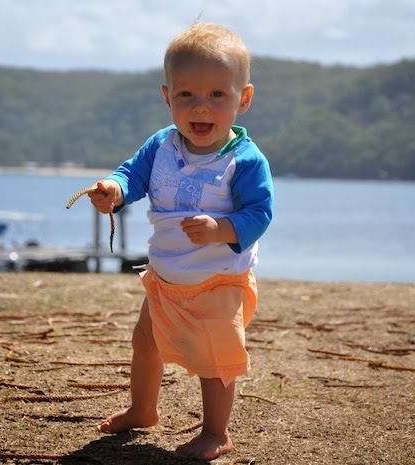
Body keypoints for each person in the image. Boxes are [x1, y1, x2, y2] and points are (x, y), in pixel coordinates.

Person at [88, 22, 273, 461]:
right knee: (145, 342)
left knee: (216, 361)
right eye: (186, 94)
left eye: (217, 94)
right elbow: (133, 174)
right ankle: (143, 409)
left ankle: (217, 432)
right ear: (167, 97)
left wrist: (220, 229)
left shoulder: (243, 160)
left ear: (243, 99)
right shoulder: (162, 145)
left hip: (218, 280)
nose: (200, 106)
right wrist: (115, 189)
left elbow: (259, 213)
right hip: (166, 275)